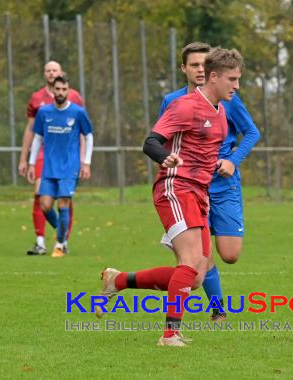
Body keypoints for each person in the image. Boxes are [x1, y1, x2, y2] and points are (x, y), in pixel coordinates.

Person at [97, 47, 244, 346]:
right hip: (175, 188)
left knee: (197, 275)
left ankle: (118, 280)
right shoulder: (184, 106)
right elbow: (150, 142)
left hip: (198, 194)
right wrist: (166, 157)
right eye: (232, 79)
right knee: (190, 261)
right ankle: (169, 335)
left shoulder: (221, 116)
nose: (237, 86)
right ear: (213, 76)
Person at [158, 42, 260, 321]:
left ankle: (120, 282)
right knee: (196, 261)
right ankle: (217, 310)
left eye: (205, 65)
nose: (200, 70)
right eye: (195, 65)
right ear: (185, 69)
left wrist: (232, 160)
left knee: (230, 253)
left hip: (223, 183)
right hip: (189, 186)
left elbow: (251, 132)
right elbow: (161, 140)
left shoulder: (227, 99)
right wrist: (170, 165)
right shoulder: (174, 102)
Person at [18, 61, 84, 256]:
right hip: (43, 154)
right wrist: (25, 158)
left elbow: (82, 130)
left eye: (54, 70)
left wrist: (82, 158)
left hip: (67, 156)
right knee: (41, 196)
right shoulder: (37, 98)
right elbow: (32, 131)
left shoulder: (74, 97)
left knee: (65, 199)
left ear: (61, 72)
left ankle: (62, 241)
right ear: (44, 74)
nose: (51, 73)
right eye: (47, 70)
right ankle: (41, 241)